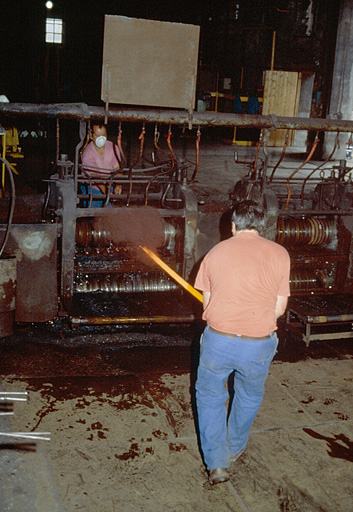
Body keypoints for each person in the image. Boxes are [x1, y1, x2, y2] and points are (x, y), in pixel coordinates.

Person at [194, 200, 290, 485]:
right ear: (262, 227)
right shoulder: (280, 254)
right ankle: (234, 448)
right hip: (258, 343)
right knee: (248, 396)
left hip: (219, 341)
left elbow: (206, 305)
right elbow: (279, 308)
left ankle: (217, 463)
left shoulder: (214, 253)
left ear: (233, 226)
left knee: (210, 397)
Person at [81, 123, 122, 207]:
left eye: (103, 135)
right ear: (91, 136)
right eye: (98, 135)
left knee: (108, 214)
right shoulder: (87, 153)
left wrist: (118, 184)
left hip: (108, 184)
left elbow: (117, 168)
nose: (101, 138)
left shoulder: (113, 147)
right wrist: (107, 193)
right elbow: (94, 176)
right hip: (91, 187)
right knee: (93, 214)